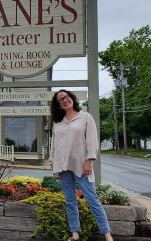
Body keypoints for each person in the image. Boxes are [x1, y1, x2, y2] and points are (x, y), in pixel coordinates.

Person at [49, 89, 113, 241]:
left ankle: (107, 234)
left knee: (92, 200)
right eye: (60, 100)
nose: (64, 100)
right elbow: (54, 144)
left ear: (71, 98)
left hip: (81, 165)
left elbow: (92, 141)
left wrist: (89, 161)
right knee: (70, 201)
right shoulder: (57, 122)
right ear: (58, 105)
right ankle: (75, 234)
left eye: (66, 97)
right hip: (63, 167)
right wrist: (52, 163)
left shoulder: (85, 117)